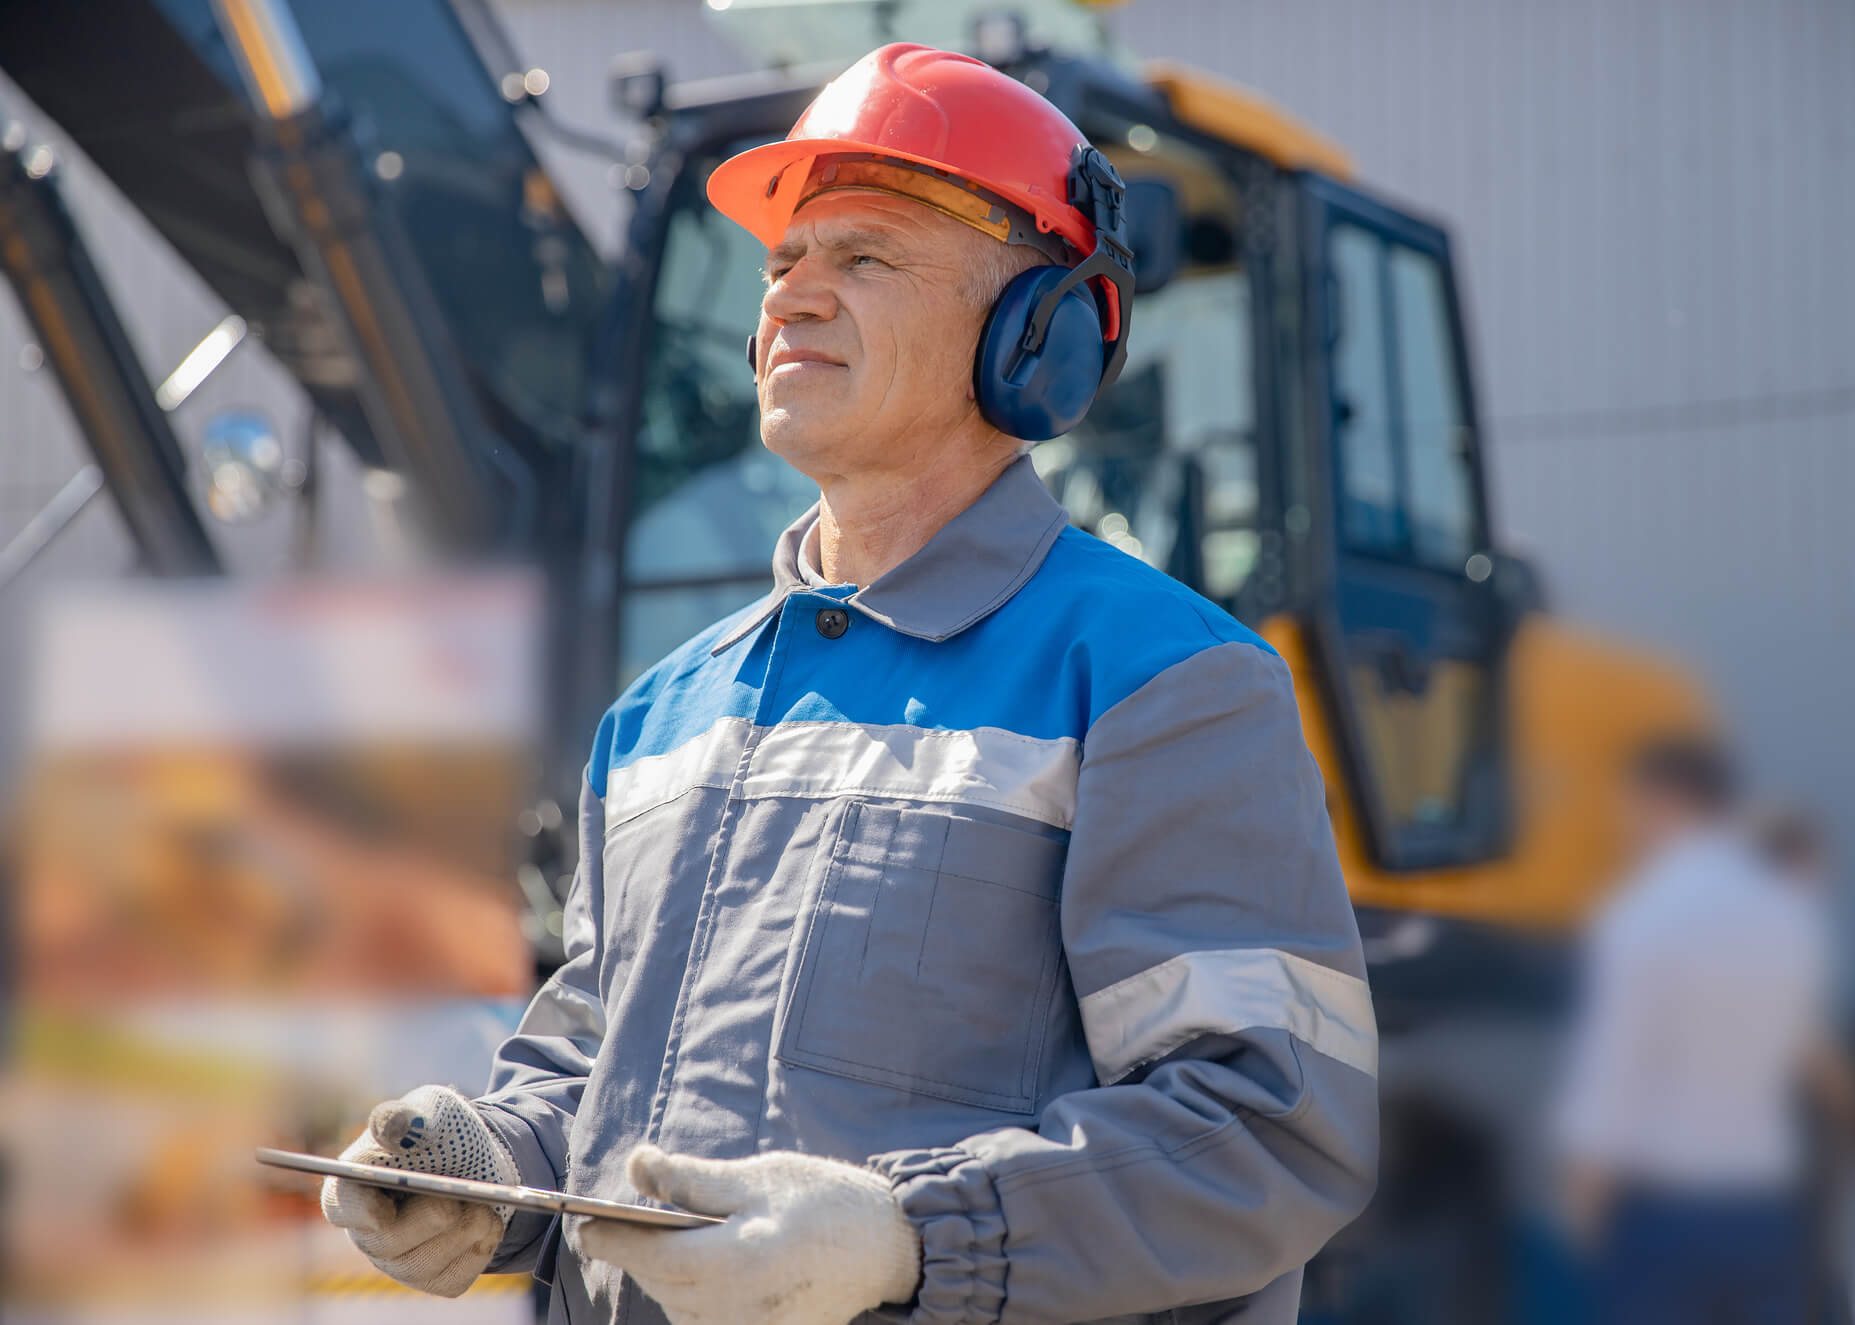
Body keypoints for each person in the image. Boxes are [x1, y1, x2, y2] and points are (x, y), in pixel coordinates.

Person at [317, 44, 1378, 1325]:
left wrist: (902, 1237)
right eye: (781, 264)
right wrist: (487, 1170)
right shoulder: (657, 720)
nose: (791, 302)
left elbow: (1265, 1129)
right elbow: (595, 1075)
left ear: (1031, 333)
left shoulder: (1166, 688)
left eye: (863, 258)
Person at [1551, 735, 1830, 1325]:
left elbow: (1614, 1073)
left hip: (1664, 1211)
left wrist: (1583, 1203)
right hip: (1765, 1204)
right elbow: (1802, 1048)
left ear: (1662, 799)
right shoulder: (1790, 914)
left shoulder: (1643, 915)